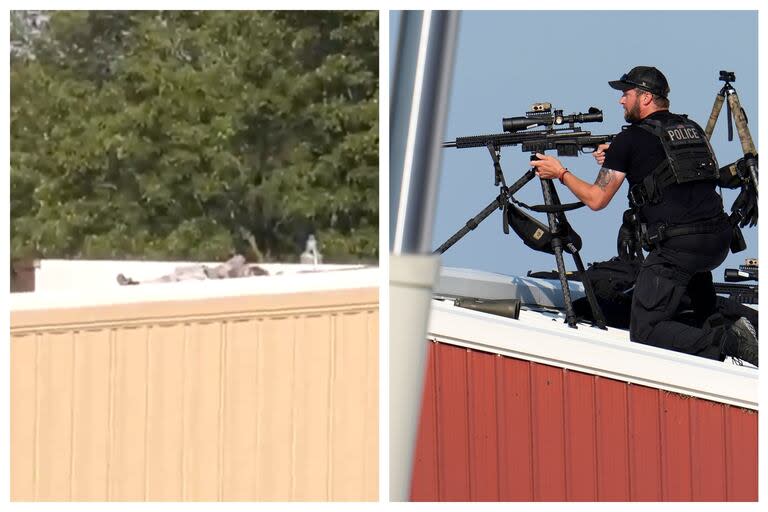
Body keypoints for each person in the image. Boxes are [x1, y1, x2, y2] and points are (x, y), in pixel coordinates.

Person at [530, 66, 758, 366]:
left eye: (626, 94)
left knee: (646, 330)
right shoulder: (691, 129)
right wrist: (620, 156)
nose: (621, 101)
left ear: (646, 97)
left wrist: (560, 173)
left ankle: (729, 341)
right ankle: (731, 330)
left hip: (678, 248)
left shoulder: (631, 140)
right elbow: (672, 166)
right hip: (716, 241)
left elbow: (597, 199)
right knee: (700, 311)